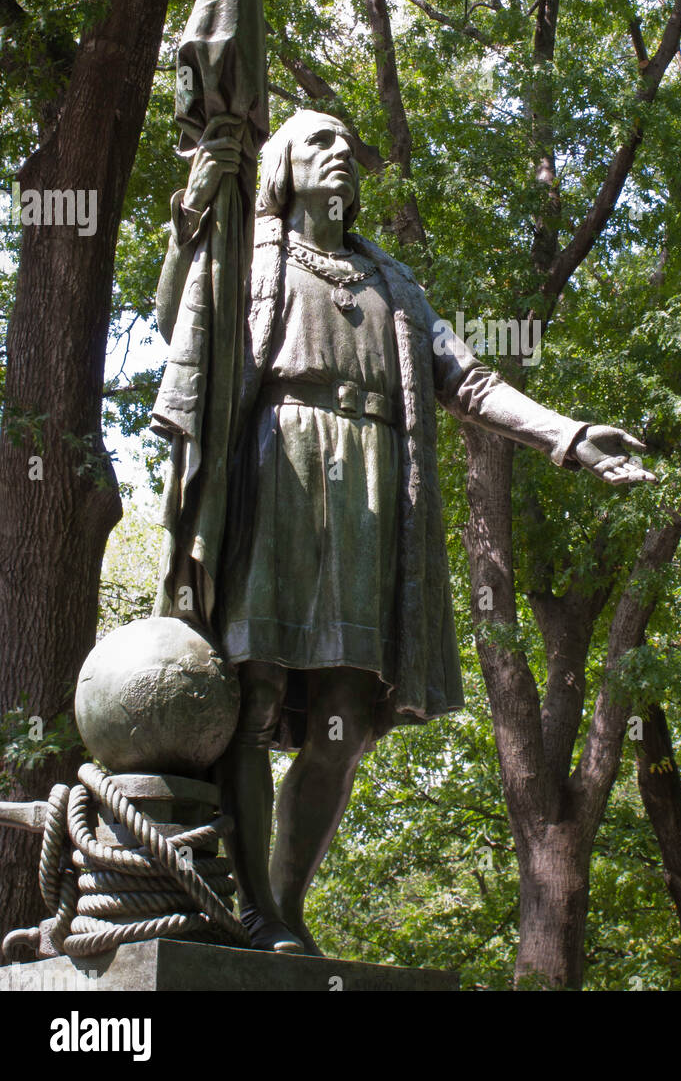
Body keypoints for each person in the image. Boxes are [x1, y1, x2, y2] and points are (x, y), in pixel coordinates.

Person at [156, 108, 655, 953]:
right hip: (277, 471)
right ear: (279, 163)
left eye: (350, 146)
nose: (341, 155)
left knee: (348, 714)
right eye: (320, 142)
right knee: (255, 691)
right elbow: (182, 315)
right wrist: (195, 213)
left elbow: (470, 380)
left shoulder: (393, 283)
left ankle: (287, 907)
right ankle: (255, 915)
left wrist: (568, 436)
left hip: (374, 497)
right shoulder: (250, 253)